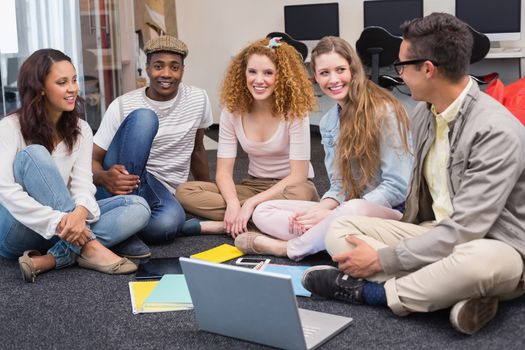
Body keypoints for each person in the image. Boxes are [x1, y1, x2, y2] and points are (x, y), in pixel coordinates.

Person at [301, 13, 525, 335]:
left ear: (428, 69)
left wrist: (384, 261)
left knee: (482, 262)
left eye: (403, 66)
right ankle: (453, 291)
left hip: (492, 243)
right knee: (340, 228)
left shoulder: (495, 131)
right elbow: (432, 221)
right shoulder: (424, 113)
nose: (400, 74)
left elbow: (467, 230)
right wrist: (393, 245)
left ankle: (373, 293)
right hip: (433, 231)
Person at [235, 36, 412, 260]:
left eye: (340, 70)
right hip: (345, 210)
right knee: (263, 211)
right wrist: (323, 209)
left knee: (351, 210)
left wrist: (334, 213)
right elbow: (339, 185)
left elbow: (397, 188)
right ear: (315, 77)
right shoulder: (329, 122)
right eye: (324, 73)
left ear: (353, 70)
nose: (333, 79)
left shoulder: (385, 111)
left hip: (390, 213)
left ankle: (289, 248)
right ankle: (326, 238)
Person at [0, 49, 151, 282]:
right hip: (18, 228)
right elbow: (6, 192)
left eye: (73, 80)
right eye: (62, 82)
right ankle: (89, 246)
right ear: (40, 88)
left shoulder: (81, 129)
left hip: (67, 228)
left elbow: (83, 185)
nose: (73, 89)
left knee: (139, 207)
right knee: (34, 154)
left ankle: (51, 258)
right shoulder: (9, 127)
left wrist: (79, 214)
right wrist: (60, 222)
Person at [175, 37, 319, 238]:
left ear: (282, 77)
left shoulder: (295, 112)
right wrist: (234, 203)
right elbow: (223, 173)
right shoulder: (232, 111)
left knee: (300, 196)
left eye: (268, 73)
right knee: (185, 192)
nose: (258, 80)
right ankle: (256, 220)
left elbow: (298, 175)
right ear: (243, 74)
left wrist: (251, 204)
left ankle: (226, 224)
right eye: (252, 72)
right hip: (253, 185)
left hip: (291, 188)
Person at [92, 36, 213, 258]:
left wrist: (207, 194)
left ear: (182, 71)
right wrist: (103, 177)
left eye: (174, 67)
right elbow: (92, 158)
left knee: (168, 225)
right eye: (158, 66)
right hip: (120, 181)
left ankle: (116, 225)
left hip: (157, 188)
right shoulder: (123, 104)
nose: (166, 74)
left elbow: (198, 150)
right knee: (144, 118)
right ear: (147, 68)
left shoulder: (198, 99)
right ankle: (123, 228)